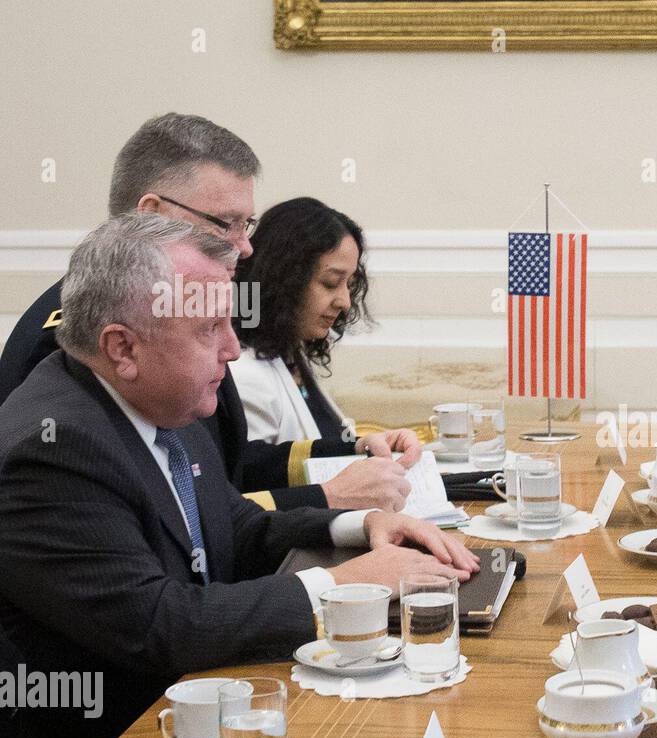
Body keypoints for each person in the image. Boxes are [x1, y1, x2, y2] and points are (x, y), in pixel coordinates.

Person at [0, 214, 480, 738]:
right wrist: (343, 586)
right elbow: (160, 624)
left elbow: (230, 524)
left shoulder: (157, 399)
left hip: (212, 724)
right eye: (210, 328)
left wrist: (362, 526)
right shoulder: (51, 450)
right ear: (121, 347)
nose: (233, 348)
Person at [0, 112, 416, 513]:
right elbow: (176, 513)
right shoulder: (74, 334)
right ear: (153, 214)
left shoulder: (180, 309)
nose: (246, 246)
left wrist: (349, 449)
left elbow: (221, 464)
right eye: (226, 223)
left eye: (246, 224)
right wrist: (327, 497)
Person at [228, 198, 374, 448]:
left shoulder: (291, 356)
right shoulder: (247, 377)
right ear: (284, 279)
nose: (345, 302)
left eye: (349, 285)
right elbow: (256, 480)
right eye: (330, 283)